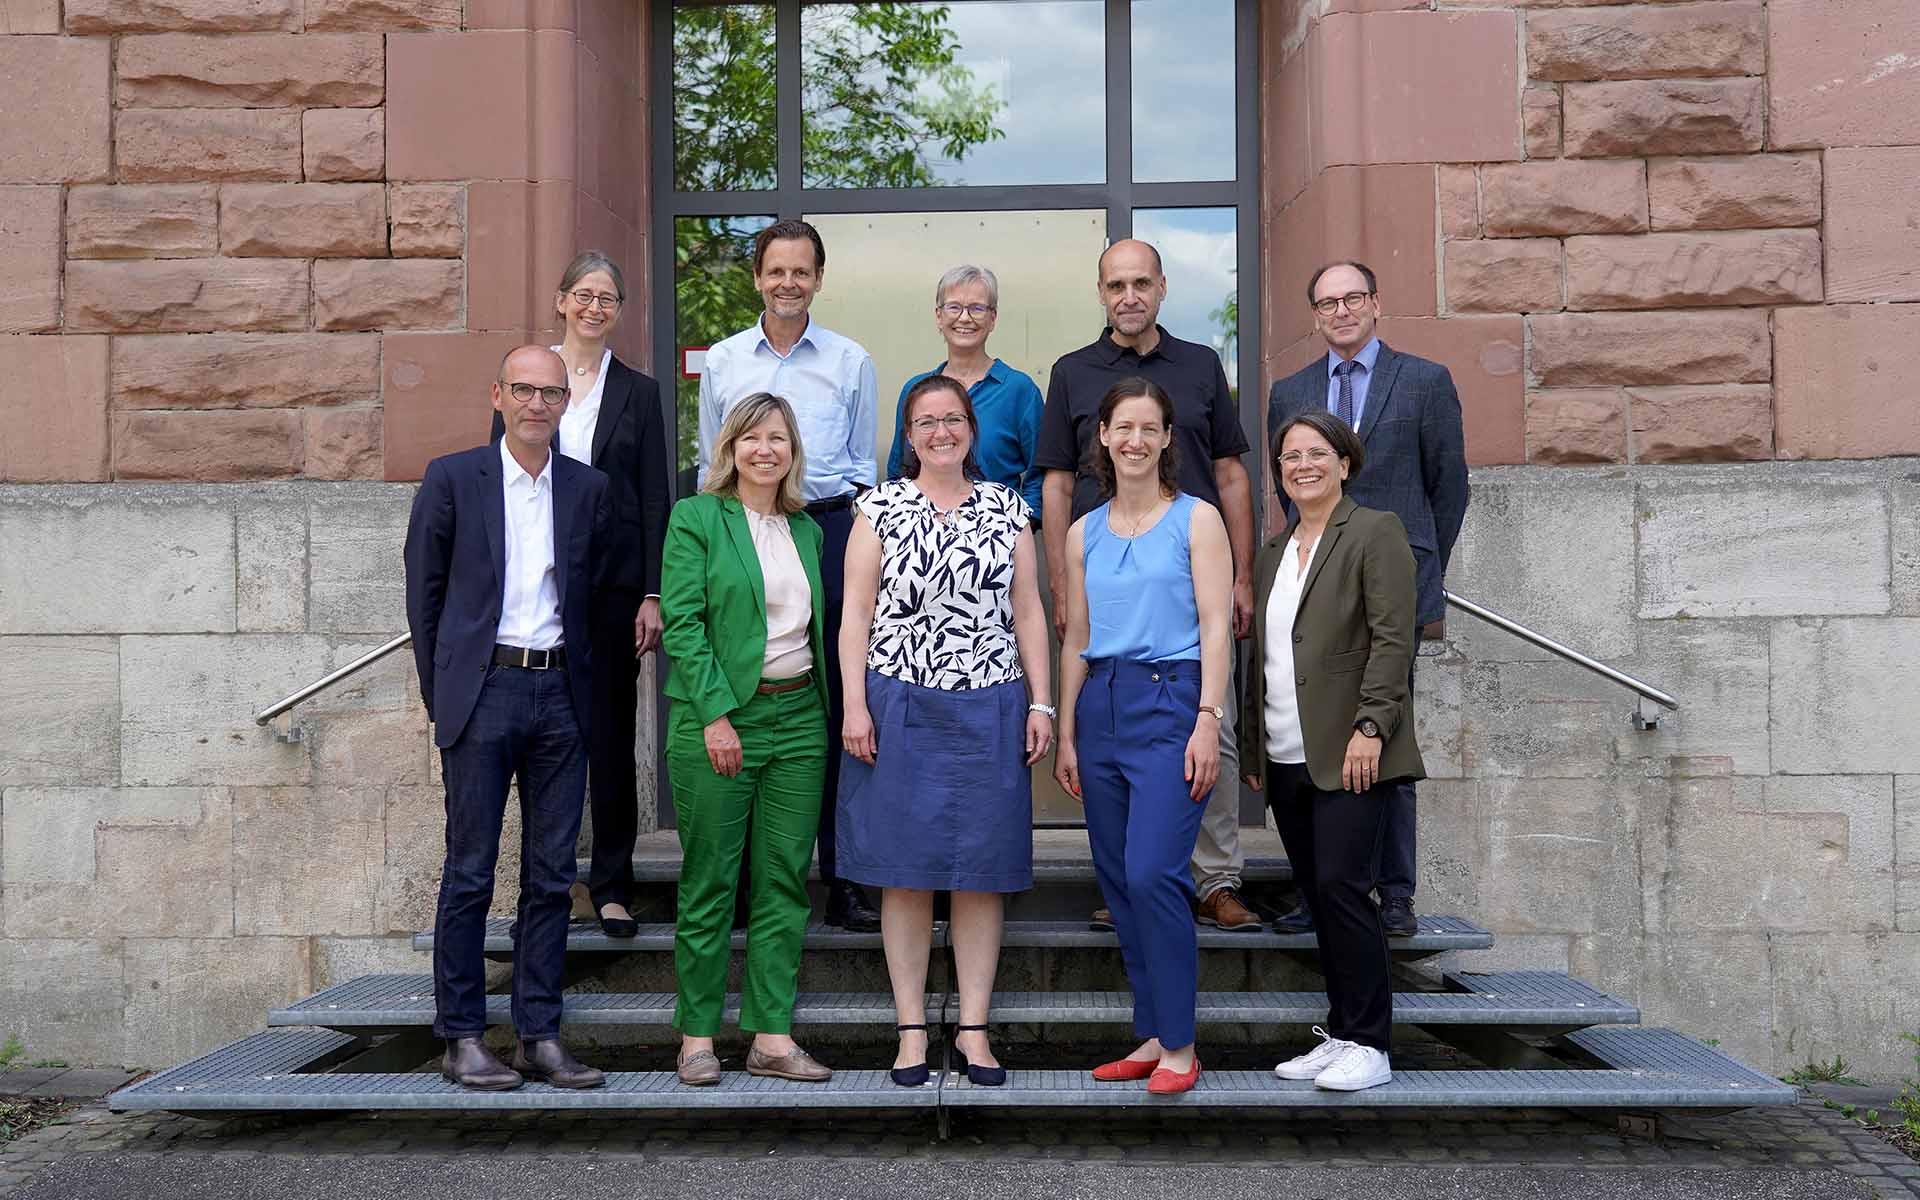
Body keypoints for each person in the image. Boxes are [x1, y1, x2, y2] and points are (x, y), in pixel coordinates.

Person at [1034, 239, 1260, 935]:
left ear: (1162, 288)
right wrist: (1060, 583)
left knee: (1212, 731)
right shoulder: (1072, 372)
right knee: (1114, 736)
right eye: (1116, 285)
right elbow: (1057, 484)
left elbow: (1230, 474)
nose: (1128, 296)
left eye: (1140, 283)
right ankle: (1137, 874)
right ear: (1101, 293)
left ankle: (1215, 880)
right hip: (1107, 576)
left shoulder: (1201, 365)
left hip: (1191, 570)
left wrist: (1242, 573)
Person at [403, 345, 611, 1092]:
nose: (536, 404)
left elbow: (600, 599)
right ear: (498, 395)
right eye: (523, 390)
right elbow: (424, 598)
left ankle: (538, 1035)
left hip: (561, 695)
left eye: (550, 393)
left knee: (552, 876)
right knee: (470, 871)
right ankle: (461, 1036)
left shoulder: (588, 488)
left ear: (565, 404)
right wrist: (446, 698)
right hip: (484, 689)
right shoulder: (454, 478)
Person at [839, 375, 1054, 1089]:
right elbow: (855, 615)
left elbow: (1028, 611)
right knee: (903, 874)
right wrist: (854, 706)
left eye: (953, 419)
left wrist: (1043, 704)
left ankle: (973, 1030)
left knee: (980, 875)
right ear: (908, 435)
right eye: (927, 421)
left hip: (991, 703)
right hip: (897, 701)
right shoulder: (878, 508)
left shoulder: (1008, 508)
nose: (942, 432)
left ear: (971, 429)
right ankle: (910, 1031)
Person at [1264, 261, 1467, 937]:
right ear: (1315, 315)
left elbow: (1449, 486)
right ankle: (1317, 888)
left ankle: (1395, 891)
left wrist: (1415, 568)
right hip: (1316, 585)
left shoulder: (1425, 381)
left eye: (1353, 298)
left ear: (1376, 304)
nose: (1342, 311)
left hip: (1391, 583)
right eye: (1327, 303)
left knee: (1386, 730)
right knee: (1316, 731)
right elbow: (1290, 488)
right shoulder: (1290, 390)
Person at [698, 219, 882, 932]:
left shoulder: (850, 360)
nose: (788, 283)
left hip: (827, 530)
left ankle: (844, 876)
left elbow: (863, 470)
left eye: (801, 271)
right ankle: (749, 879)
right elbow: (712, 457)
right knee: (750, 688)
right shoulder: (723, 361)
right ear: (757, 278)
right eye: (776, 270)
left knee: (836, 702)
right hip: (742, 532)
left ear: (818, 279)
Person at [1054, 377, 1232, 1097]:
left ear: (1165, 439)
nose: (1134, 440)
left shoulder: (1197, 519)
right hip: (1102, 703)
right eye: (1122, 427)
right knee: (1120, 878)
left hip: (1173, 700)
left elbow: (1217, 625)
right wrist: (1067, 732)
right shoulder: (1082, 532)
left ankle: (1182, 1045)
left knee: (1156, 871)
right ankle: (1154, 1031)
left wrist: (1208, 718)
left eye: (1148, 428)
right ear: (1102, 435)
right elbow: (1077, 636)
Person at [1241, 409, 1424, 1093]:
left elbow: (1392, 640)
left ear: (1344, 463)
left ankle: (1372, 1044)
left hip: (1351, 750)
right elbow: (1264, 658)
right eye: (1290, 457)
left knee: (1345, 890)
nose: (1303, 466)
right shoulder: (1272, 552)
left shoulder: (1375, 531)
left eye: (1316, 453)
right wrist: (1256, 747)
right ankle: (1343, 1032)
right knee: (1319, 896)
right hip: (1288, 753)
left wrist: (1371, 727)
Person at [490, 250, 669, 940]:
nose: (595, 307)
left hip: (614, 587)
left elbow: (653, 496)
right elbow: (497, 484)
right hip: (540, 586)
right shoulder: (530, 380)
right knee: (541, 738)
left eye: (608, 298)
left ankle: (614, 884)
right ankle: (552, 882)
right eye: (585, 295)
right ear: (562, 300)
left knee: (611, 736)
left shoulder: (639, 392)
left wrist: (652, 592)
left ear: (619, 312)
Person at [663, 392, 834, 1087]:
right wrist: (715, 715)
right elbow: (683, 623)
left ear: (793, 452)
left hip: (799, 719)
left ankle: (770, 1036)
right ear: (730, 447)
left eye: (779, 439)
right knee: (711, 880)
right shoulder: (697, 518)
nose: (766, 450)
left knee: (785, 881)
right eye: (752, 438)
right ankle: (697, 1038)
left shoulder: (808, 530)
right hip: (720, 719)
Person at [884, 265, 1044, 515]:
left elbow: (1040, 476)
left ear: (993, 318)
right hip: (922, 532)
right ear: (939, 316)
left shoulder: (1019, 391)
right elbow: (898, 471)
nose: (965, 318)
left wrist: (1020, 524)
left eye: (977, 308)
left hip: (997, 532)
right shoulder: (915, 391)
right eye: (954, 307)